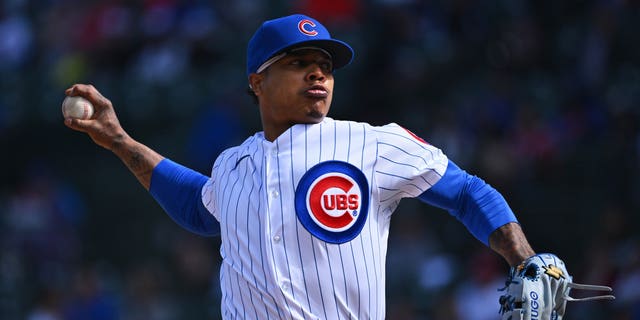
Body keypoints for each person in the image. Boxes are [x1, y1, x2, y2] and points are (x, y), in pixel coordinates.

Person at [64, 13, 560, 319]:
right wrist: (118, 140)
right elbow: (198, 206)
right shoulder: (233, 165)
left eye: (324, 62)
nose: (319, 71)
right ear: (257, 82)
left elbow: (466, 191)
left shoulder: (371, 143)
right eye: (299, 61)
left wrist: (525, 258)